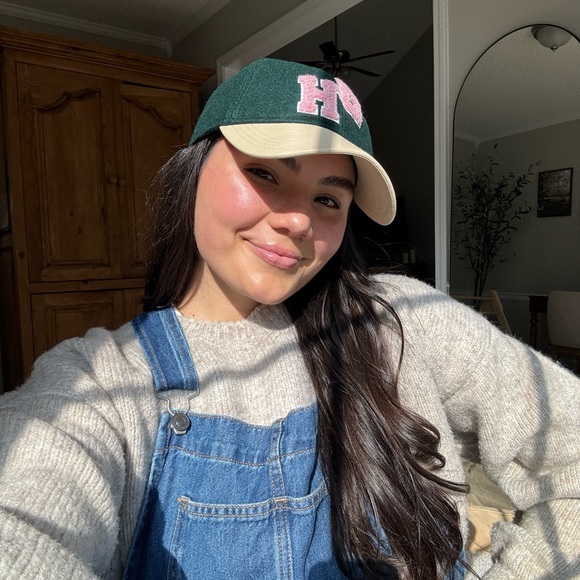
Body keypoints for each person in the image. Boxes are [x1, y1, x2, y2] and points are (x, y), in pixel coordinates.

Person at [0, 58, 578, 580]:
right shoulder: (101, 382)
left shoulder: (401, 320)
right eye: (265, 173)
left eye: (328, 199)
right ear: (193, 169)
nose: (299, 220)